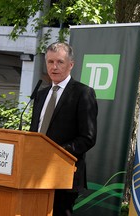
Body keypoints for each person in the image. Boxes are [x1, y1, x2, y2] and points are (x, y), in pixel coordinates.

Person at [29, 42, 98, 216]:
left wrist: (55, 152)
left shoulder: (83, 93)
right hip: (34, 173)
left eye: (60, 62)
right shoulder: (41, 94)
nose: (54, 67)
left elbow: (87, 137)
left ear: (71, 65)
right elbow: (34, 133)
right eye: (50, 62)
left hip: (63, 175)